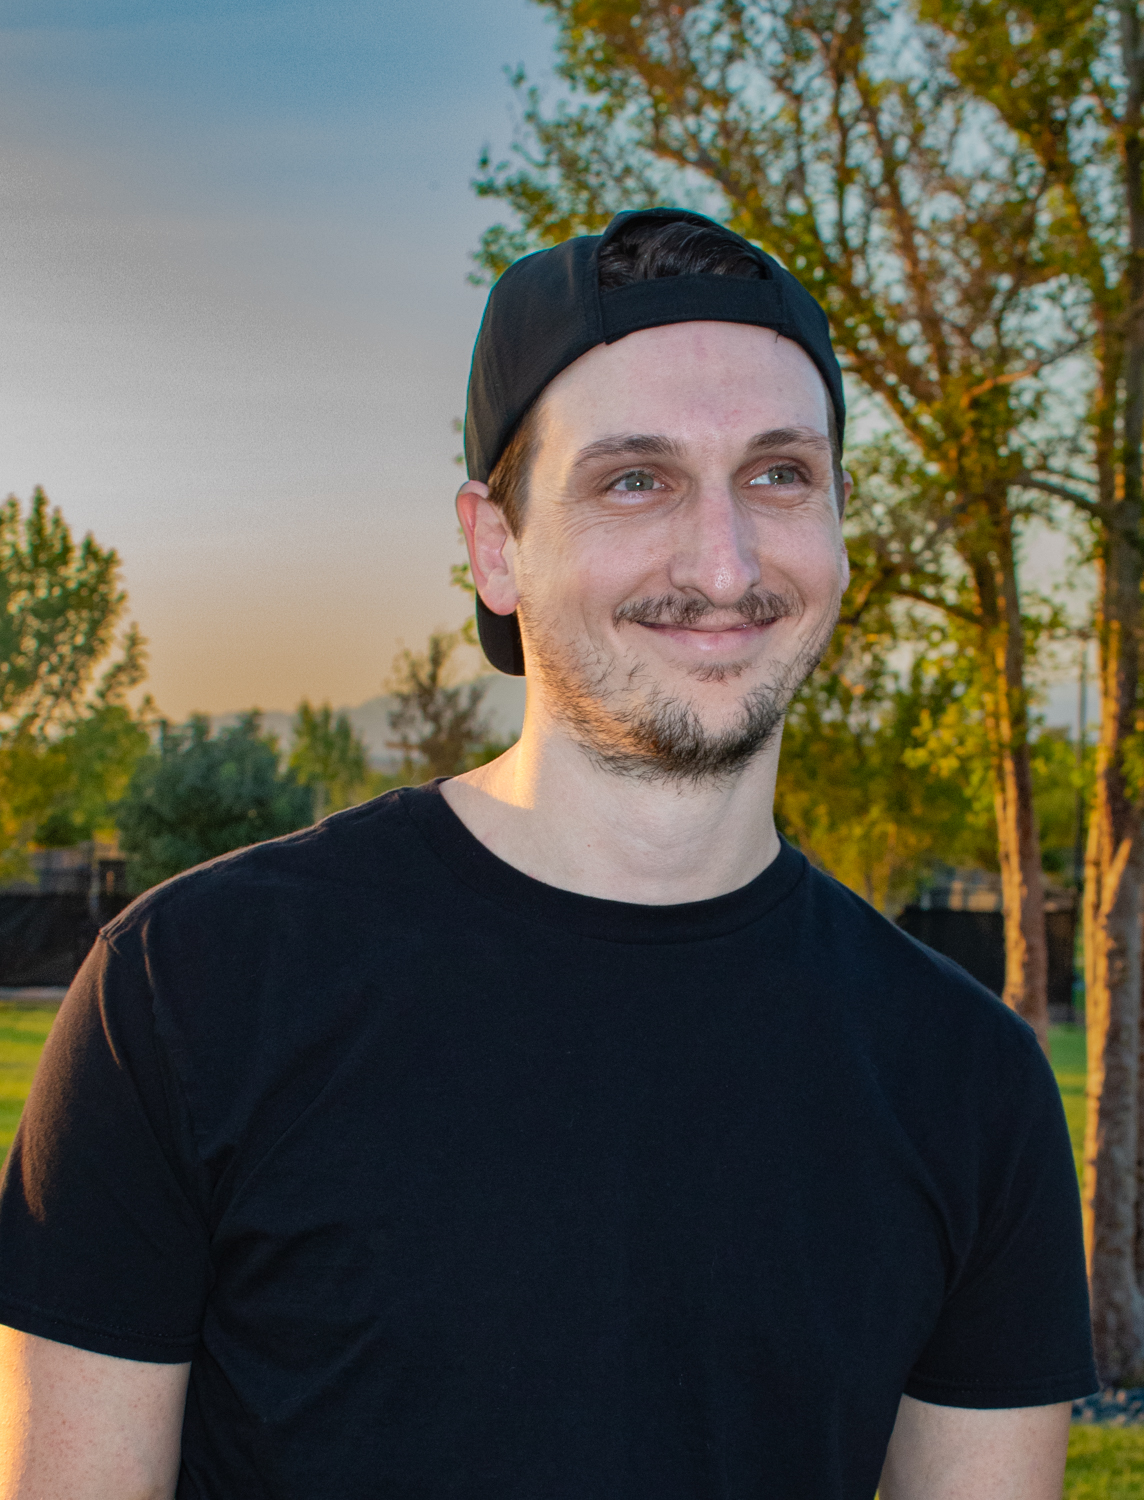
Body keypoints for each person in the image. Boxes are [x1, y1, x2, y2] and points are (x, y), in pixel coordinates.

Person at [0, 208, 1095, 1500]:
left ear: (841, 530)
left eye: (780, 474)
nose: (724, 558)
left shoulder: (969, 1085)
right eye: (637, 479)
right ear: (494, 545)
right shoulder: (186, 999)